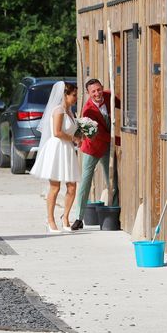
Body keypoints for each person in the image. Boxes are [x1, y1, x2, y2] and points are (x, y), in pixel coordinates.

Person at [30, 81, 81, 232]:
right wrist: (72, 139)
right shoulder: (58, 110)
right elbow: (57, 132)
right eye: (73, 95)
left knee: (72, 186)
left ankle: (65, 217)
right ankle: (50, 219)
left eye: (76, 95)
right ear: (65, 95)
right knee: (55, 186)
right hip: (57, 149)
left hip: (68, 150)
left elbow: (71, 130)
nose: (76, 98)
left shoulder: (71, 112)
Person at [71, 79, 119, 230]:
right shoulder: (87, 111)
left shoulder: (109, 96)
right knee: (85, 181)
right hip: (93, 147)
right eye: (93, 92)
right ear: (88, 94)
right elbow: (96, 135)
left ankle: (115, 211)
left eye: (99, 90)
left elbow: (121, 103)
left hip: (108, 148)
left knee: (112, 179)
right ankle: (79, 217)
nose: (97, 93)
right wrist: (115, 138)